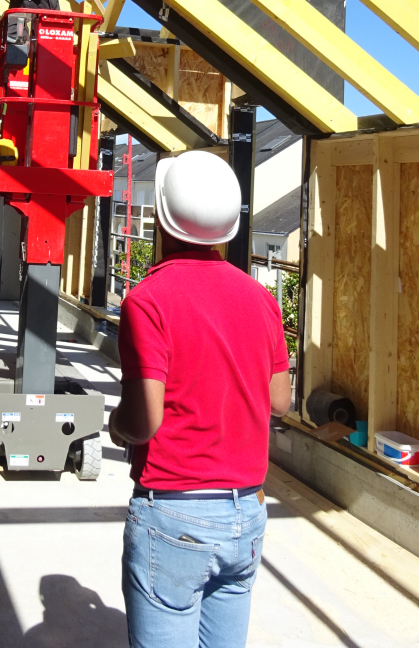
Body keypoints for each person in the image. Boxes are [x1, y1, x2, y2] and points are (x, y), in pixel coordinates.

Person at [109, 149, 291, 648]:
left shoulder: (148, 300)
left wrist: (115, 426)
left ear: (161, 221)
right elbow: (281, 401)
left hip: (174, 514)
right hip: (245, 517)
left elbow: (143, 421)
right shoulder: (263, 299)